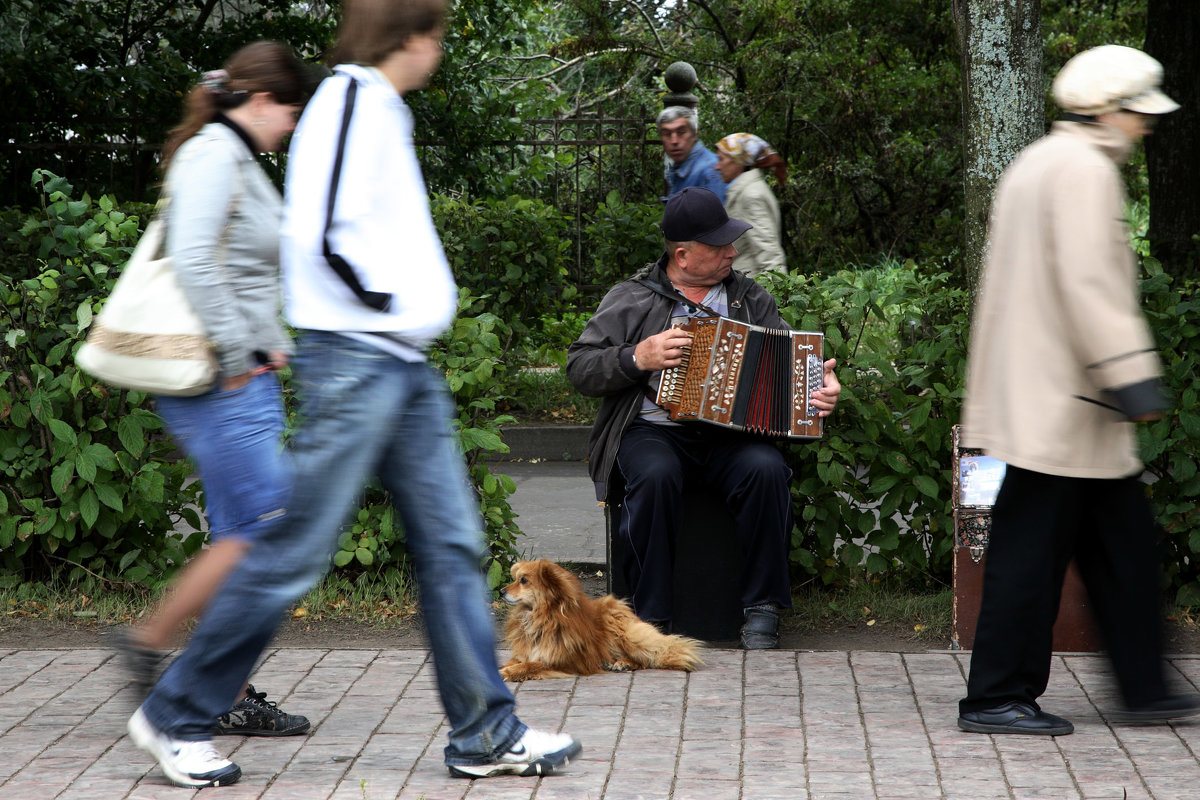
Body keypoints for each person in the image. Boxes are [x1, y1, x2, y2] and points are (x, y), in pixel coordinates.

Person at [125, 0, 580, 789]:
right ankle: (174, 712)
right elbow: (323, 232)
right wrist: (376, 307)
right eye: (436, 34)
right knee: (296, 549)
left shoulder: (379, 110)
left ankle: (484, 732)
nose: (439, 49)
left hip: (399, 366)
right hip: (360, 360)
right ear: (412, 35)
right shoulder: (347, 101)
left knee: (451, 547)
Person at [957, 44, 1200, 736]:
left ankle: (1145, 688)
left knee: (1121, 549)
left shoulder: (1039, 162)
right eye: (1139, 113)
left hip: (1051, 401)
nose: (1146, 126)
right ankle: (996, 696)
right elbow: (1091, 286)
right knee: (1032, 559)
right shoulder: (1085, 173)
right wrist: (1132, 374)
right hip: (1063, 406)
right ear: (1109, 110)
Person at [117, 42, 313, 776]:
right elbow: (195, 258)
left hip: (241, 374)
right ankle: (167, 669)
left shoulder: (232, 156)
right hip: (215, 379)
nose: (292, 125)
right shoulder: (212, 156)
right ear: (262, 100)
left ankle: (211, 683)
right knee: (269, 534)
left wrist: (268, 341)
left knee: (253, 533)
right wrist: (238, 352)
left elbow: (238, 265)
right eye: (291, 110)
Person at [566, 187, 840, 649]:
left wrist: (822, 389)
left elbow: (794, 367)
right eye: (720, 246)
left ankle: (762, 609)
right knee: (653, 475)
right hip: (652, 430)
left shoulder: (750, 298)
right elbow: (579, 367)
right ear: (684, 256)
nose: (733, 252)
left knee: (767, 470)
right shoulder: (632, 298)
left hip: (728, 438)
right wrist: (638, 356)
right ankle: (649, 618)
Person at [715, 132, 788, 277]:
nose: (717, 166)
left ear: (738, 162)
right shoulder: (744, 192)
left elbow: (769, 254)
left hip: (749, 289)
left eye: (721, 159)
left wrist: (779, 296)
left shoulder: (750, 195)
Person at [658, 106, 726, 201]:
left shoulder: (711, 171)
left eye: (681, 132)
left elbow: (718, 215)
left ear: (695, 135)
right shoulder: (680, 166)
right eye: (667, 134)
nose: (674, 141)